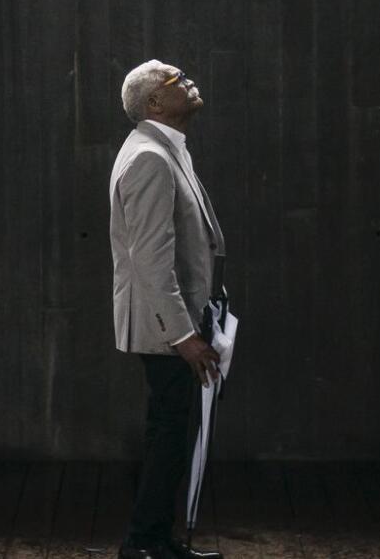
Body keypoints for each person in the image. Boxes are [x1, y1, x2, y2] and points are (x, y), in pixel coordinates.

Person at [108, 60, 227, 559]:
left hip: (176, 317)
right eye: (176, 79)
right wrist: (183, 335)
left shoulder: (164, 149)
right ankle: (144, 543)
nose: (190, 80)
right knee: (169, 435)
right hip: (166, 326)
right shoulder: (150, 158)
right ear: (154, 103)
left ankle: (152, 539)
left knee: (171, 431)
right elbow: (151, 259)